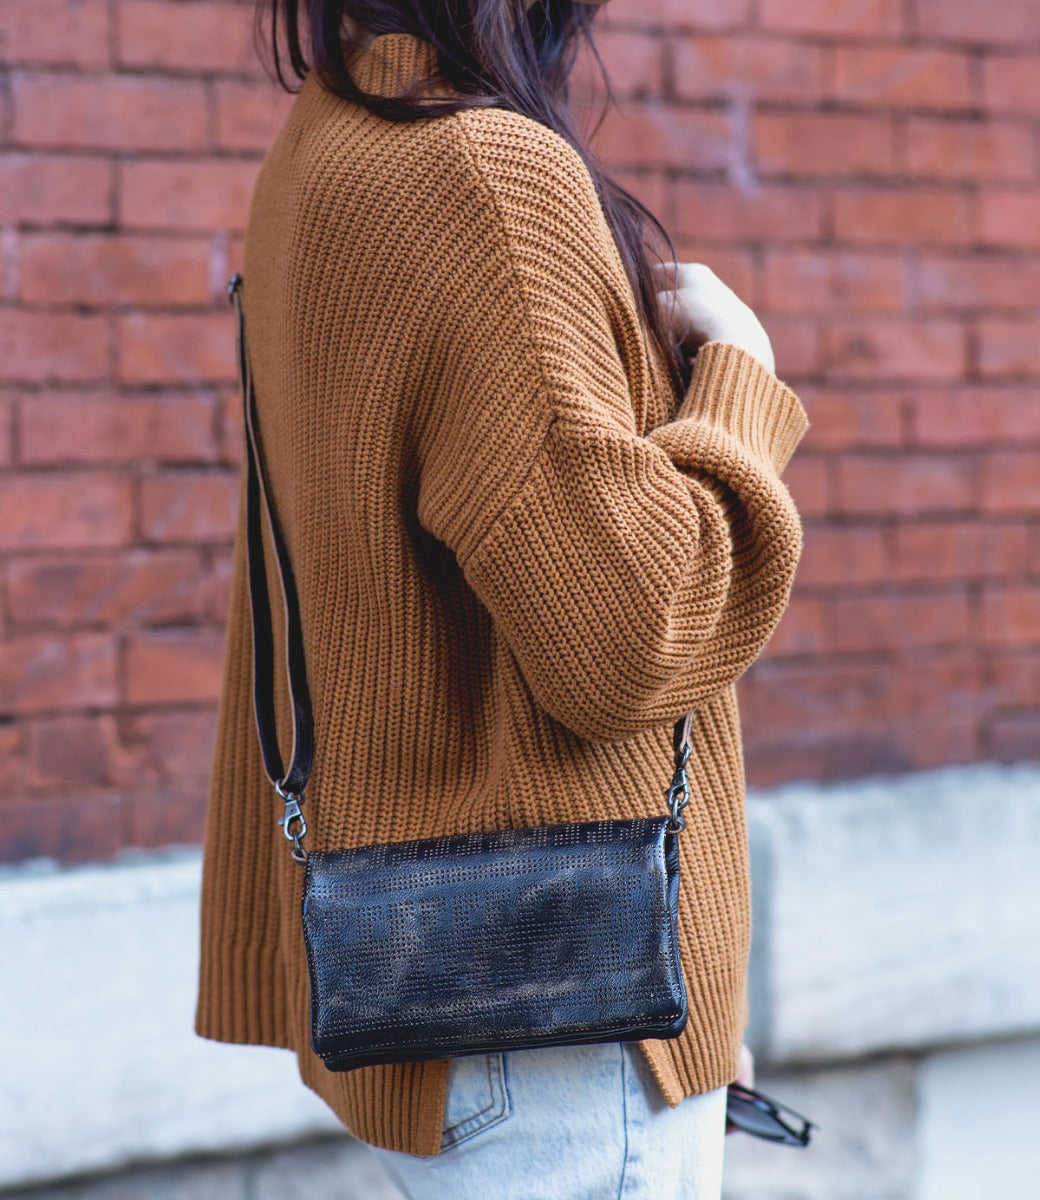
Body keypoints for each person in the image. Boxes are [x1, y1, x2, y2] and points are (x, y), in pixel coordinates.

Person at [194, 2, 810, 1196]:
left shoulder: (323, 144)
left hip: (453, 985)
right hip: (556, 1024)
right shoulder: (478, 173)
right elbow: (631, 636)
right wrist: (738, 381)